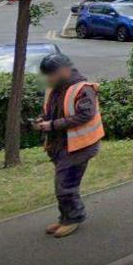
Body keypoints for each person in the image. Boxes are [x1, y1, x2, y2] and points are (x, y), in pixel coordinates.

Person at [33, 53, 103, 238]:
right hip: (61, 144)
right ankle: (66, 217)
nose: (48, 78)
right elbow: (51, 111)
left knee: (65, 185)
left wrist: (52, 125)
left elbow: (84, 115)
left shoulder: (82, 89)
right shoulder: (55, 88)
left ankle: (73, 218)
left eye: (51, 74)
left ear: (63, 71)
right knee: (64, 184)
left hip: (80, 146)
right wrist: (43, 120)